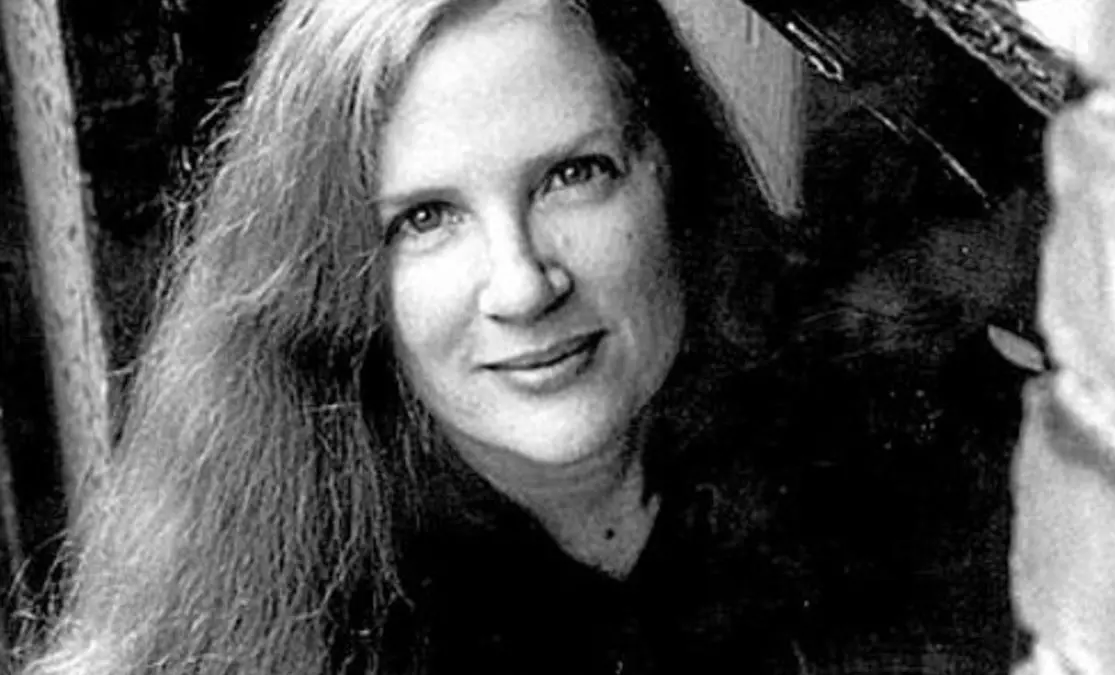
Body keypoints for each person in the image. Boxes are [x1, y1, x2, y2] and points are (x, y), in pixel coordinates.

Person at [18, 0, 1020, 673]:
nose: (524, 284)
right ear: (337, 279)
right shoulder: (271, 615)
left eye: (573, 175)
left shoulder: (903, 470)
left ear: (669, 172)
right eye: (425, 219)